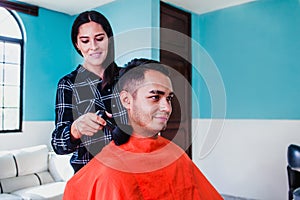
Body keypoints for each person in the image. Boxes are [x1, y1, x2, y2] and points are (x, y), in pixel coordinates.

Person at [63, 58, 223, 200]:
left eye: (169, 98)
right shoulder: (109, 174)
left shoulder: (176, 155)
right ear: (126, 100)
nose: (167, 108)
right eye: (155, 97)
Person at [51, 10, 127, 173]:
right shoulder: (68, 84)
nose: (93, 47)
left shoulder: (127, 78)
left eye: (99, 39)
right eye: (85, 41)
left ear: (109, 39)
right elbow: (58, 145)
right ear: (77, 45)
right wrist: (76, 129)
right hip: (89, 177)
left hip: (129, 171)